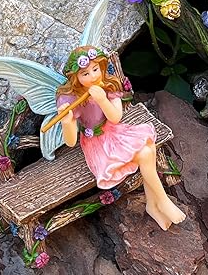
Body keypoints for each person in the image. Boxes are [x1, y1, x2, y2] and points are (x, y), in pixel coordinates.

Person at [56, 46, 186, 230]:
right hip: (97, 142)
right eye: (85, 74)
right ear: (76, 78)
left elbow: (115, 117)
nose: (93, 76)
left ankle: (154, 203)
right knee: (146, 152)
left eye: (95, 69)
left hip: (114, 131)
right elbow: (70, 142)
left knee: (148, 149)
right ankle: (161, 200)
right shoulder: (73, 98)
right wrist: (67, 122)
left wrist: (102, 99)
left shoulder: (108, 86)